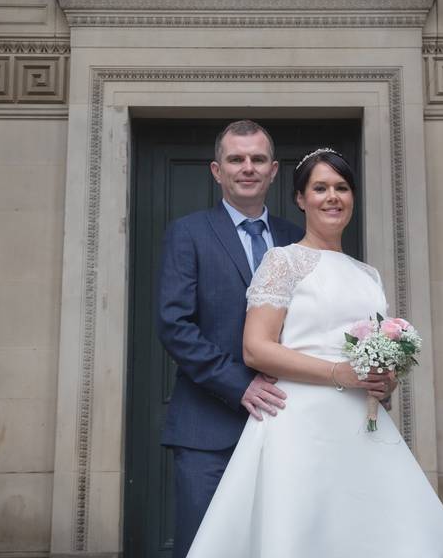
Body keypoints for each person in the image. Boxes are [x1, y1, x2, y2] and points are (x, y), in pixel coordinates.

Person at [185, 148, 443, 558]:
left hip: (362, 424)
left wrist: (384, 377)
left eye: (341, 188)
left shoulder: (367, 274)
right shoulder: (283, 262)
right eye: (320, 188)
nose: (332, 197)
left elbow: (371, 351)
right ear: (302, 199)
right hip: (298, 424)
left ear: (353, 198)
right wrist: (340, 374)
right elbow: (256, 348)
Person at [157, 120, 307, 558]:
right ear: (216, 170)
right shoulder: (187, 233)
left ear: (274, 170)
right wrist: (238, 385)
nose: (248, 168)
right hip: (207, 429)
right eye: (236, 159)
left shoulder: (297, 240)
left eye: (258, 159)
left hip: (287, 425)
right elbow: (174, 325)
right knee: (207, 548)